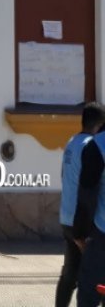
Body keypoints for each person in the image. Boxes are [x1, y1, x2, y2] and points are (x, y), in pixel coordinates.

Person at [56, 102, 105, 307]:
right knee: (93, 279)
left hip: (67, 217)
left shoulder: (71, 142)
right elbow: (88, 190)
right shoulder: (90, 146)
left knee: (70, 273)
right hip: (84, 222)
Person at [77, 116, 105, 307]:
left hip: (102, 232)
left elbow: (87, 192)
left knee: (89, 292)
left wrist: (80, 231)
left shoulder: (98, 145)